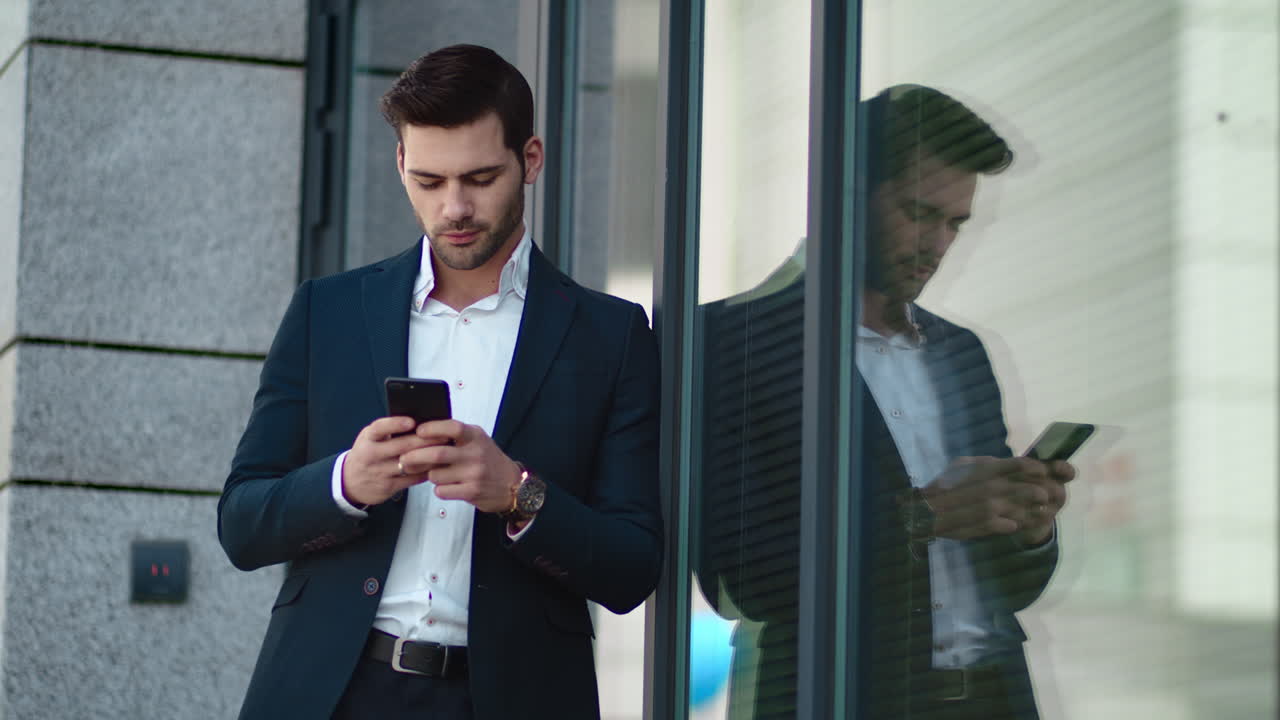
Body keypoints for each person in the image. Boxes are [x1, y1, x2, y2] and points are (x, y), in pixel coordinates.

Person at [218, 44, 662, 720]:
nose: (454, 206)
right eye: (429, 181)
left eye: (480, 178)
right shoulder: (326, 312)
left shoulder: (611, 336)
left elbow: (632, 567)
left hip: (515, 698)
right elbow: (242, 524)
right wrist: (343, 483)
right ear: (401, 165)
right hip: (333, 693)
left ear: (530, 160)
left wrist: (519, 495)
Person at [695, 84, 1073, 720]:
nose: (939, 243)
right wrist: (923, 516)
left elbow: (1012, 588)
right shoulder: (731, 343)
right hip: (841, 697)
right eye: (919, 213)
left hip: (993, 699)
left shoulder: (961, 352)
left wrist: (1029, 525)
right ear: (844, 194)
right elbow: (745, 583)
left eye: (956, 223)